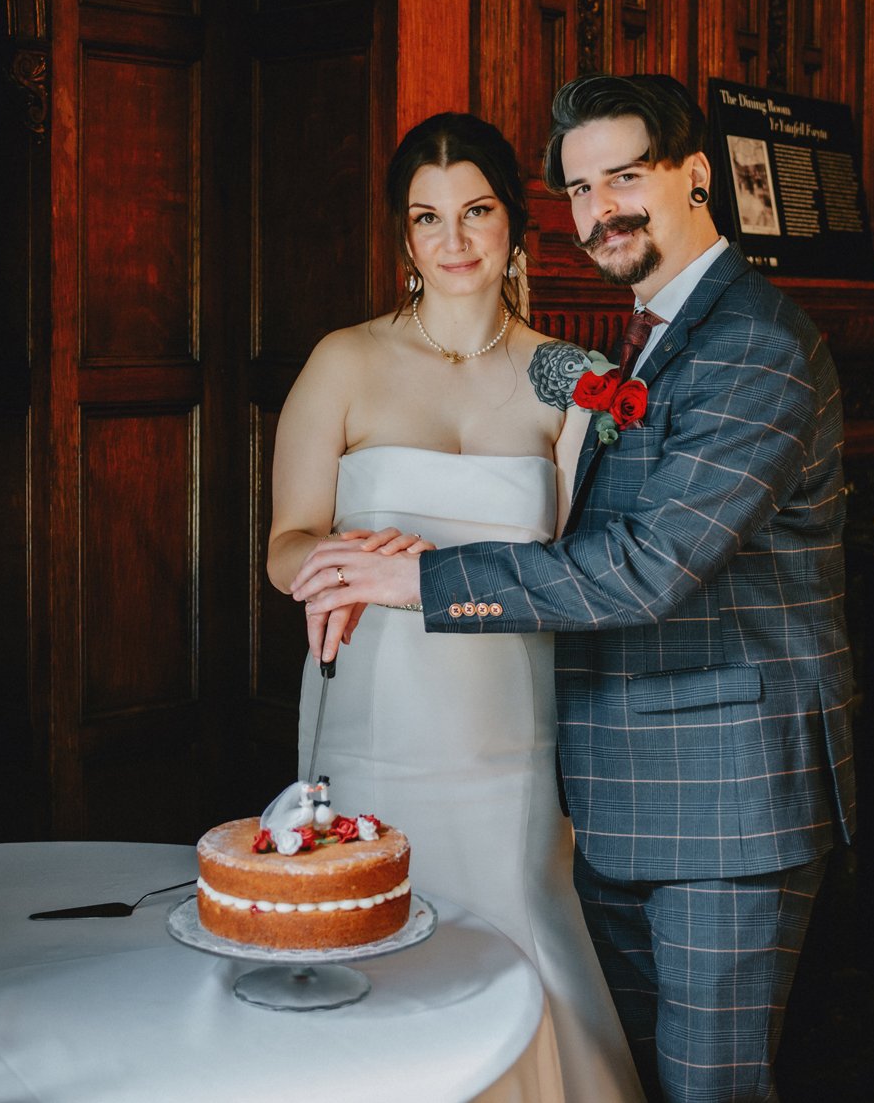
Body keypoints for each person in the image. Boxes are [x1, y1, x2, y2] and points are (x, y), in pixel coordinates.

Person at [292, 75, 856, 1103]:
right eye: (581, 188)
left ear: (696, 176)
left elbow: (646, 564)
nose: (600, 208)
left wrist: (414, 574)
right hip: (600, 785)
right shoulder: (630, 348)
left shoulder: (750, 347)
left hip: (717, 808)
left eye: (624, 177)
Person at [269, 112, 643, 1103]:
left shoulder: (567, 374)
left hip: (508, 724)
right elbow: (284, 545)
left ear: (515, 227)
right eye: (426, 218)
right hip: (373, 711)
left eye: (475, 211)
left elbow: (606, 559)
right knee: (377, 936)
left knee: (515, 923)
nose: (453, 240)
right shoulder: (342, 360)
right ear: (402, 238)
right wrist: (343, 555)